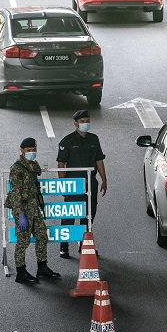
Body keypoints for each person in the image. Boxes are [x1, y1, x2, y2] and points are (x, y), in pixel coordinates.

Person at [5, 138, 62, 285]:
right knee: (22, 242)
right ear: (22, 150)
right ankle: (21, 272)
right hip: (23, 210)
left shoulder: (31, 165)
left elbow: (37, 171)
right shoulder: (17, 168)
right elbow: (15, 193)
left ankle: (42, 267)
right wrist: (20, 215)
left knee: (42, 236)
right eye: (28, 150)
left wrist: (32, 162)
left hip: (34, 208)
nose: (32, 152)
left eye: (33, 149)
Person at [56, 109, 107, 258]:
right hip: (73, 185)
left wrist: (104, 179)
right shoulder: (68, 141)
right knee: (69, 216)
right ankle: (64, 247)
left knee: (89, 216)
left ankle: (85, 243)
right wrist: (63, 184)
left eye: (87, 121)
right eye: (82, 121)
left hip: (91, 183)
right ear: (75, 123)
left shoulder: (94, 139)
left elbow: (99, 160)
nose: (85, 123)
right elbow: (61, 164)